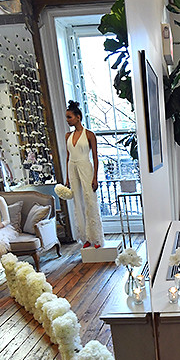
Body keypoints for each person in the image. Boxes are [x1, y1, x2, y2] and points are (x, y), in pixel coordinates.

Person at [64, 100, 104, 249]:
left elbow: (95, 157)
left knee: (90, 200)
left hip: (85, 167)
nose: (67, 120)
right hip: (72, 168)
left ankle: (96, 237)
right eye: (67, 117)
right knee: (78, 202)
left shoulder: (89, 135)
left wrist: (95, 177)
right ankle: (85, 237)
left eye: (69, 117)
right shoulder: (68, 135)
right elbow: (68, 157)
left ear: (78, 117)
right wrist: (67, 178)